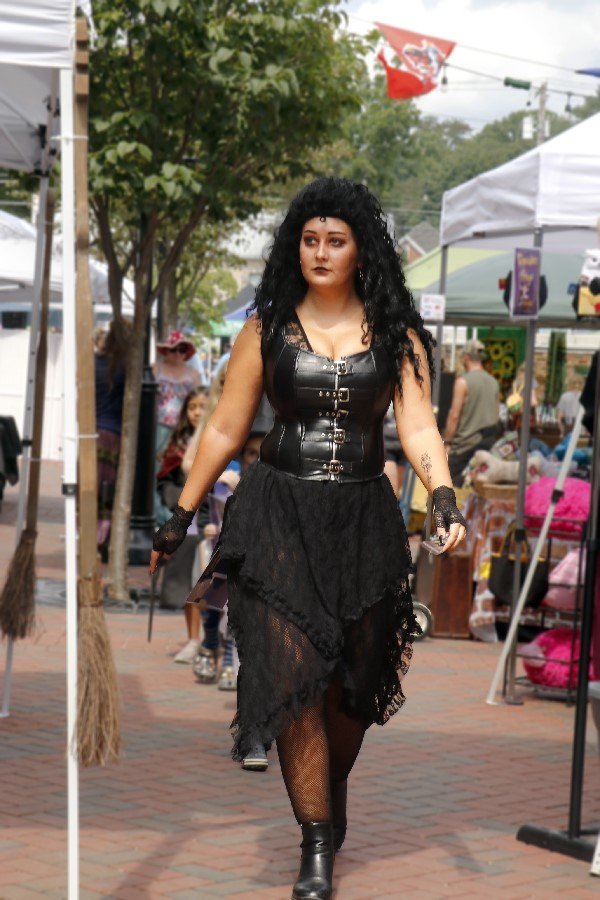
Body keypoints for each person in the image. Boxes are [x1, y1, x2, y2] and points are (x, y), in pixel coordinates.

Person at [150, 177, 466, 900]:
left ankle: (327, 792)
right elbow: (225, 427)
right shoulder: (265, 328)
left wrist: (444, 496)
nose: (320, 252)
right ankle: (316, 843)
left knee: (353, 691)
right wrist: (182, 514)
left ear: (361, 251)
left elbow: (418, 425)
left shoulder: (398, 335)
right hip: (278, 518)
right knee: (294, 686)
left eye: (336, 241)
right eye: (310, 239)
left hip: (362, 522)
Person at [156, 387, 208, 662]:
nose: (197, 412)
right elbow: (165, 481)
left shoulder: (219, 439)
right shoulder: (178, 445)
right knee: (189, 584)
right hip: (188, 523)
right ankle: (192, 639)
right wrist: (178, 499)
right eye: (192, 407)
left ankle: (211, 641)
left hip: (212, 521)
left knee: (208, 585)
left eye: (203, 407)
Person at [444, 339, 500, 486]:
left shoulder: (463, 382)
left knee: (447, 487)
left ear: (466, 357)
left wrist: (447, 442)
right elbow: (497, 415)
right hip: (487, 445)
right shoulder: (494, 382)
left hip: (464, 446)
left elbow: (454, 416)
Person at [94, 322, 127, 552]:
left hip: (92, 433)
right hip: (113, 434)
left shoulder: (95, 363)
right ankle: (101, 538)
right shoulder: (125, 367)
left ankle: (90, 535)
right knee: (108, 489)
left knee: (94, 488)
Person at [153, 330, 202, 456]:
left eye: (182, 350)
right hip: (158, 425)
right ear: (166, 350)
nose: (177, 353)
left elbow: (198, 400)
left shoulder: (194, 374)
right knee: (157, 459)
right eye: (173, 349)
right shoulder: (155, 369)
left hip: (184, 427)